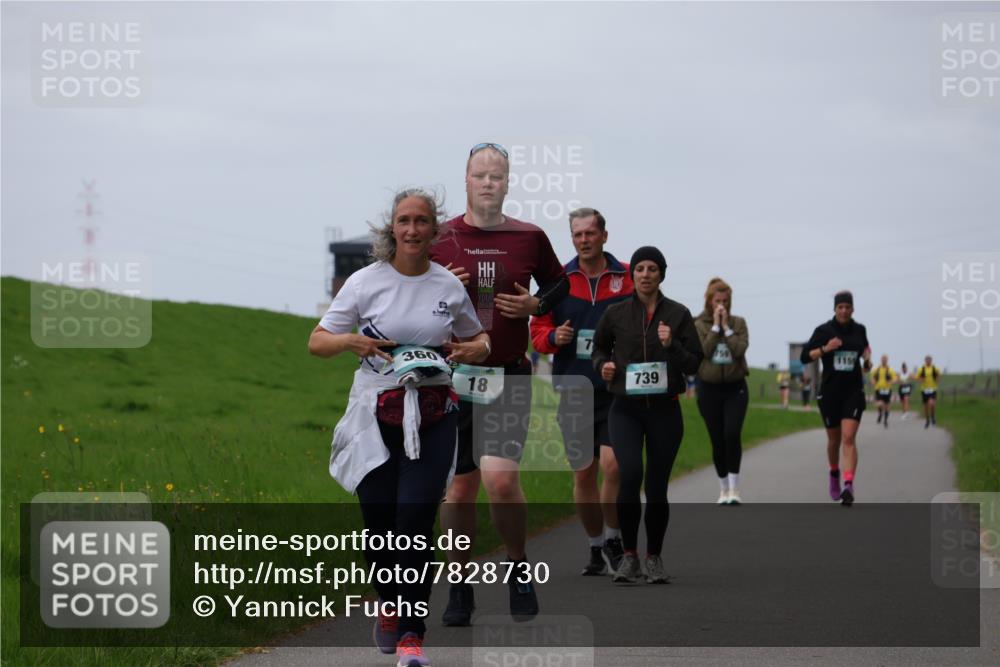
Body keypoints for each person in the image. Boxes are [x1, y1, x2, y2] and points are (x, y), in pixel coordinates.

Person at [309, 189, 490, 667]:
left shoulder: (447, 287)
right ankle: (388, 606)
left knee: (414, 521)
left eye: (421, 221)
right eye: (404, 221)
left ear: (435, 229)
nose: (412, 229)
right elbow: (317, 342)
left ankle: (412, 635)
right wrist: (352, 342)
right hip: (373, 416)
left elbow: (480, 340)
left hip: (433, 415)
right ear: (392, 228)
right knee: (380, 526)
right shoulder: (365, 282)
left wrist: (475, 350)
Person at [429, 142, 568, 626]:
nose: (488, 183)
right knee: (459, 491)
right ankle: (460, 585)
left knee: (501, 479)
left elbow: (559, 284)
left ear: (508, 183)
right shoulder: (441, 237)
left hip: (508, 373)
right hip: (451, 376)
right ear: (465, 180)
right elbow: (407, 288)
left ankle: (516, 568)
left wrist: (536, 307)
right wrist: (436, 281)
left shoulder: (529, 236)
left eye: (497, 176)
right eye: (479, 175)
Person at [530, 207, 633, 575]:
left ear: (604, 235)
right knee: (584, 473)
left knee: (613, 464)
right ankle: (594, 547)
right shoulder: (558, 281)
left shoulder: (628, 277)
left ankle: (614, 539)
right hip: (573, 389)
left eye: (590, 233)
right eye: (578, 235)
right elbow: (537, 331)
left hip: (615, 390)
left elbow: (646, 323)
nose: (584, 240)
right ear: (572, 239)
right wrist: (554, 337)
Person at [592, 246, 704, 584]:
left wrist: (673, 346)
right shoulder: (615, 314)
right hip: (625, 408)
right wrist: (604, 366)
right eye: (639, 268)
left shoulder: (679, 314)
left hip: (664, 410)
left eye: (652, 268)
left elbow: (695, 363)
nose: (645, 274)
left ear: (661, 274)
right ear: (632, 275)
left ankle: (653, 556)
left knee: (656, 486)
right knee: (630, 473)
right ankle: (629, 556)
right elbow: (598, 349)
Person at [801, 290, 872, 507]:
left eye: (847, 307)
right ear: (835, 309)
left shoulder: (859, 330)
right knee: (834, 440)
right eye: (840, 307)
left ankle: (848, 485)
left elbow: (866, 351)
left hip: (853, 391)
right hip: (830, 392)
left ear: (852, 309)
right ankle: (834, 474)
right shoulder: (824, 330)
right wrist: (825, 348)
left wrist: (868, 360)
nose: (843, 310)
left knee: (848, 438)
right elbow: (805, 355)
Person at [693, 277, 749, 506]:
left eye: (725, 301)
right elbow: (703, 351)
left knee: (731, 434)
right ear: (709, 301)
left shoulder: (738, 323)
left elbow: (739, 349)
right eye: (717, 301)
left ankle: (735, 488)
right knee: (717, 439)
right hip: (708, 388)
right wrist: (715, 328)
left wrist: (726, 328)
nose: (721, 306)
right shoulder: (699, 325)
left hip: (735, 388)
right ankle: (723, 488)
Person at [871, 355, 898, 429]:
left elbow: (895, 379)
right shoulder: (877, 369)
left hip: (887, 390)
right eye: (883, 359)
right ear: (881, 360)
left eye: (885, 359)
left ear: (887, 360)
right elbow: (873, 378)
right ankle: (880, 413)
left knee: (887, 406)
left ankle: (885, 420)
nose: (884, 361)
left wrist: (892, 381)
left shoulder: (890, 370)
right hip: (878, 389)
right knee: (879, 404)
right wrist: (873, 382)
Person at [915, 355, 942, 429]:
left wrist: (938, 380)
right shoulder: (922, 369)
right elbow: (917, 378)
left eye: (929, 360)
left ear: (931, 361)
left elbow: (939, 376)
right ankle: (927, 420)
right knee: (926, 406)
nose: (928, 361)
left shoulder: (935, 368)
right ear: (925, 361)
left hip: (933, 389)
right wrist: (920, 380)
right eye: (927, 360)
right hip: (924, 389)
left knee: (932, 403)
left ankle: (933, 416)